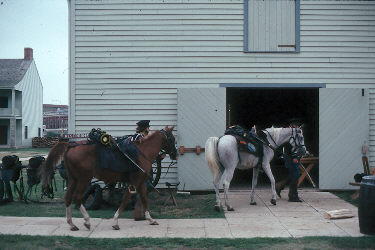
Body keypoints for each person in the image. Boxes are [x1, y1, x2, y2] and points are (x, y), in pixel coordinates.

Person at [276, 118, 303, 202]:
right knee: (295, 175)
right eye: (296, 125)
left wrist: (298, 156)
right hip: (290, 156)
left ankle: (280, 185)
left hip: (295, 156)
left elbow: (299, 145)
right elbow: (286, 147)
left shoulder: (296, 132)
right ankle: (293, 196)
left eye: (298, 125)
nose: (297, 127)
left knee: (295, 175)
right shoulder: (288, 133)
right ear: (291, 125)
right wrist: (294, 157)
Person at [131, 120, 151, 220]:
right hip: (140, 169)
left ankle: (140, 213)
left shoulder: (135, 137)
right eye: (148, 127)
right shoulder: (141, 138)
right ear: (146, 128)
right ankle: (139, 214)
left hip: (136, 168)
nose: (149, 129)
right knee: (143, 189)